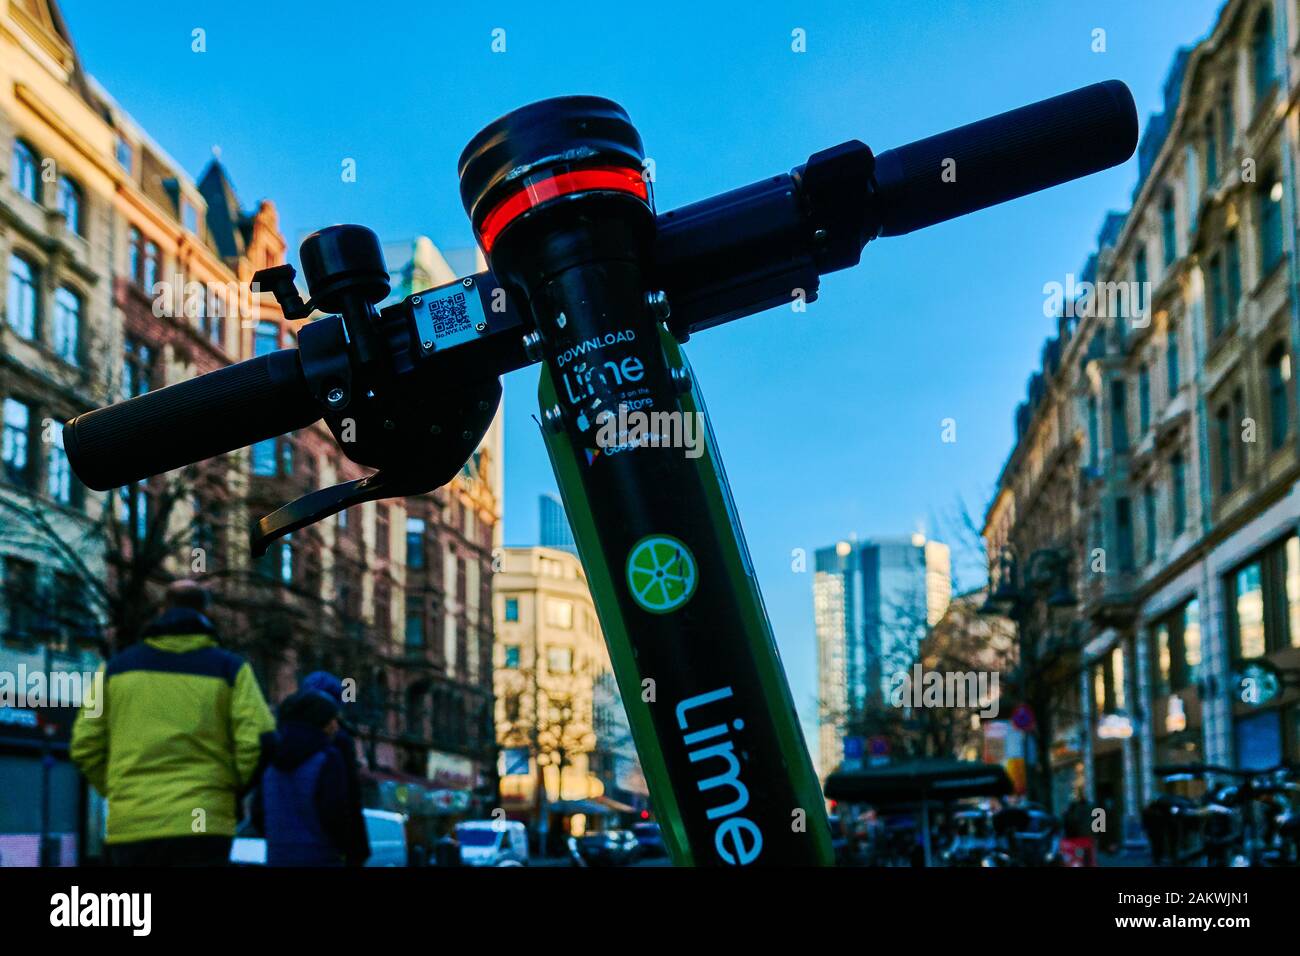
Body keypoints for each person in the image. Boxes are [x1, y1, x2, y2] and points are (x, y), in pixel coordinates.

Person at [70, 580, 276, 866]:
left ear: (162, 611)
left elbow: (84, 743)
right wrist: (228, 788)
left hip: (134, 823)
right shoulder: (231, 669)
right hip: (203, 822)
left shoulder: (114, 670)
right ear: (206, 613)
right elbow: (260, 739)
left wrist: (121, 788)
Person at [253, 689, 353, 866]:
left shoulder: (270, 760)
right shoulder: (328, 758)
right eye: (333, 720)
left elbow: (258, 814)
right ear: (322, 722)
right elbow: (336, 815)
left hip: (278, 857)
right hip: (321, 857)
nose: (336, 727)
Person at [299, 670, 370, 866]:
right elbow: (346, 803)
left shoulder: (280, 739)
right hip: (327, 852)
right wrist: (357, 849)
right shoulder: (339, 743)